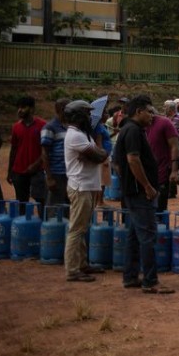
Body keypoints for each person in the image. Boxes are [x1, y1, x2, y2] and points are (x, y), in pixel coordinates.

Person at [115, 95, 174, 294]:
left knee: (133, 235)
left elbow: (117, 161)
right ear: (138, 111)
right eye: (149, 111)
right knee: (148, 236)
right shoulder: (132, 131)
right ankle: (150, 281)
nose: (152, 115)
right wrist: (147, 186)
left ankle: (130, 277)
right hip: (140, 194)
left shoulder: (129, 130)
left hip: (132, 192)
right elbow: (132, 160)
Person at [62, 100, 108, 283]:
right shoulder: (75, 136)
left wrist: (96, 153)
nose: (90, 117)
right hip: (80, 186)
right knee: (76, 229)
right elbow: (99, 156)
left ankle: (81, 264)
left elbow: (97, 154)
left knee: (81, 228)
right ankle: (72, 270)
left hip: (86, 186)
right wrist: (98, 153)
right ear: (79, 116)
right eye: (87, 114)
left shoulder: (82, 134)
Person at [8, 96, 47, 208]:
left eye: (23, 107)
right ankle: (22, 224)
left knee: (41, 200)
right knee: (21, 202)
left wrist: (36, 165)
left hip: (37, 170)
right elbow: (13, 149)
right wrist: (10, 171)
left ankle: (43, 223)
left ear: (32, 109)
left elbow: (46, 150)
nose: (19, 110)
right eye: (18, 107)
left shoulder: (42, 125)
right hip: (19, 171)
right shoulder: (16, 127)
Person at [145, 105, 179, 212]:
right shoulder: (137, 125)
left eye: (151, 112)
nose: (150, 115)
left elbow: (175, 146)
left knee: (159, 208)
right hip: (143, 174)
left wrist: (174, 170)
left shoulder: (164, 123)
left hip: (161, 172)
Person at [41, 98, 71, 207]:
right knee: (54, 207)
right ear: (63, 109)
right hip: (56, 174)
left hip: (69, 173)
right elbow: (44, 154)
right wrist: (49, 177)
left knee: (68, 206)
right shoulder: (50, 127)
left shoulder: (69, 127)